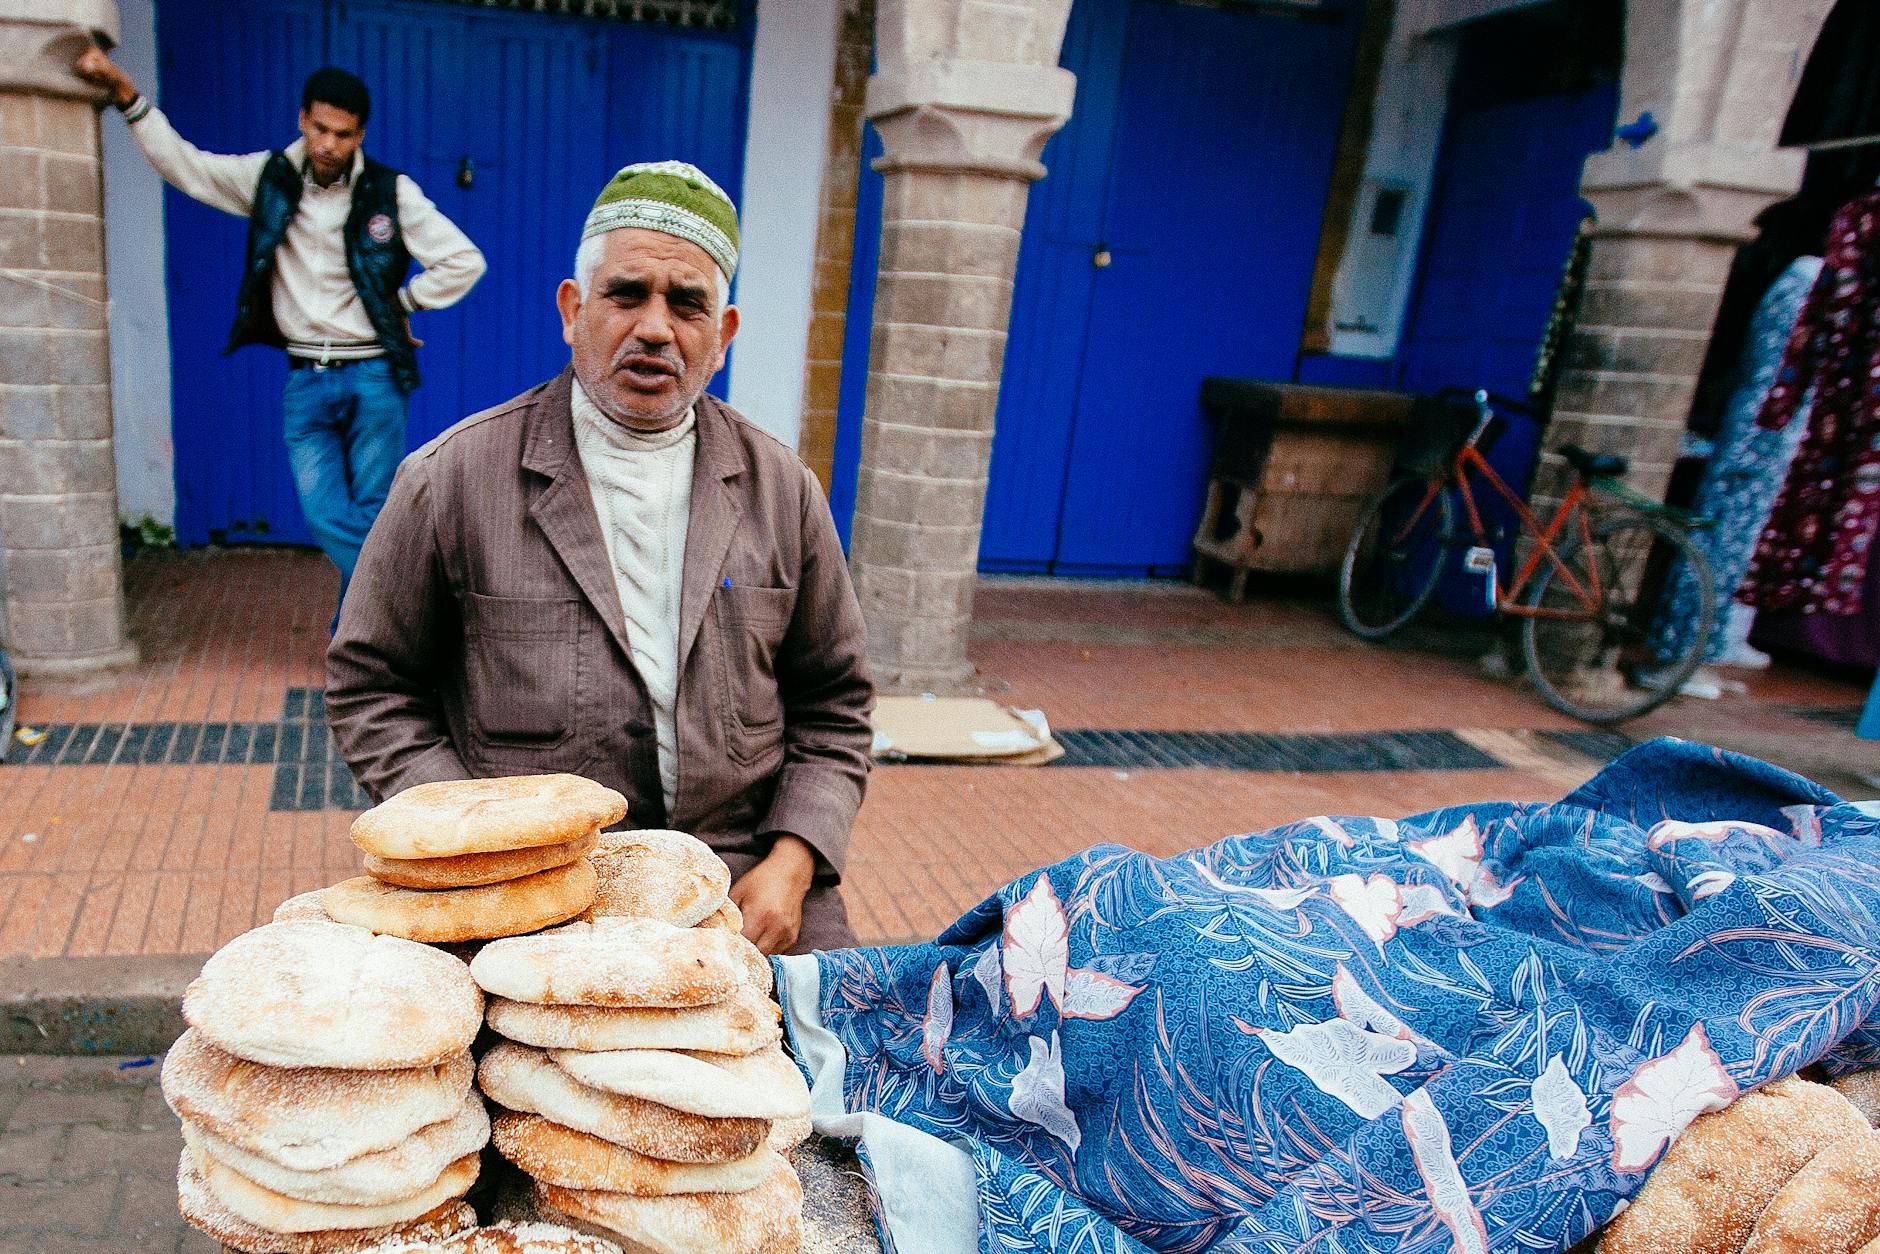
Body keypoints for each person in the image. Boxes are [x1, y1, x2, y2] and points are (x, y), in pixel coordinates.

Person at [325, 162, 874, 956]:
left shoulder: (781, 490)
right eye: (626, 294)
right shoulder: (452, 480)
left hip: (743, 878)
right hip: (529, 889)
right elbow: (371, 685)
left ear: (723, 335)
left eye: (686, 304)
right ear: (573, 310)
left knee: (856, 1032)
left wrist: (794, 862)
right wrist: (474, 842)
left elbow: (835, 703)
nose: (655, 328)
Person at [73, 49, 486, 620]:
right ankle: (418, 602)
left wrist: (403, 302)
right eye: (320, 128)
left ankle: (359, 644)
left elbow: (464, 260)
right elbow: (186, 166)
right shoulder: (268, 178)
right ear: (302, 119)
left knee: (373, 512)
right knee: (324, 514)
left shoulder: (391, 192)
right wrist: (128, 97)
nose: (329, 145)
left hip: (375, 375)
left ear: (360, 135)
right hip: (305, 377)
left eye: (343, 134)